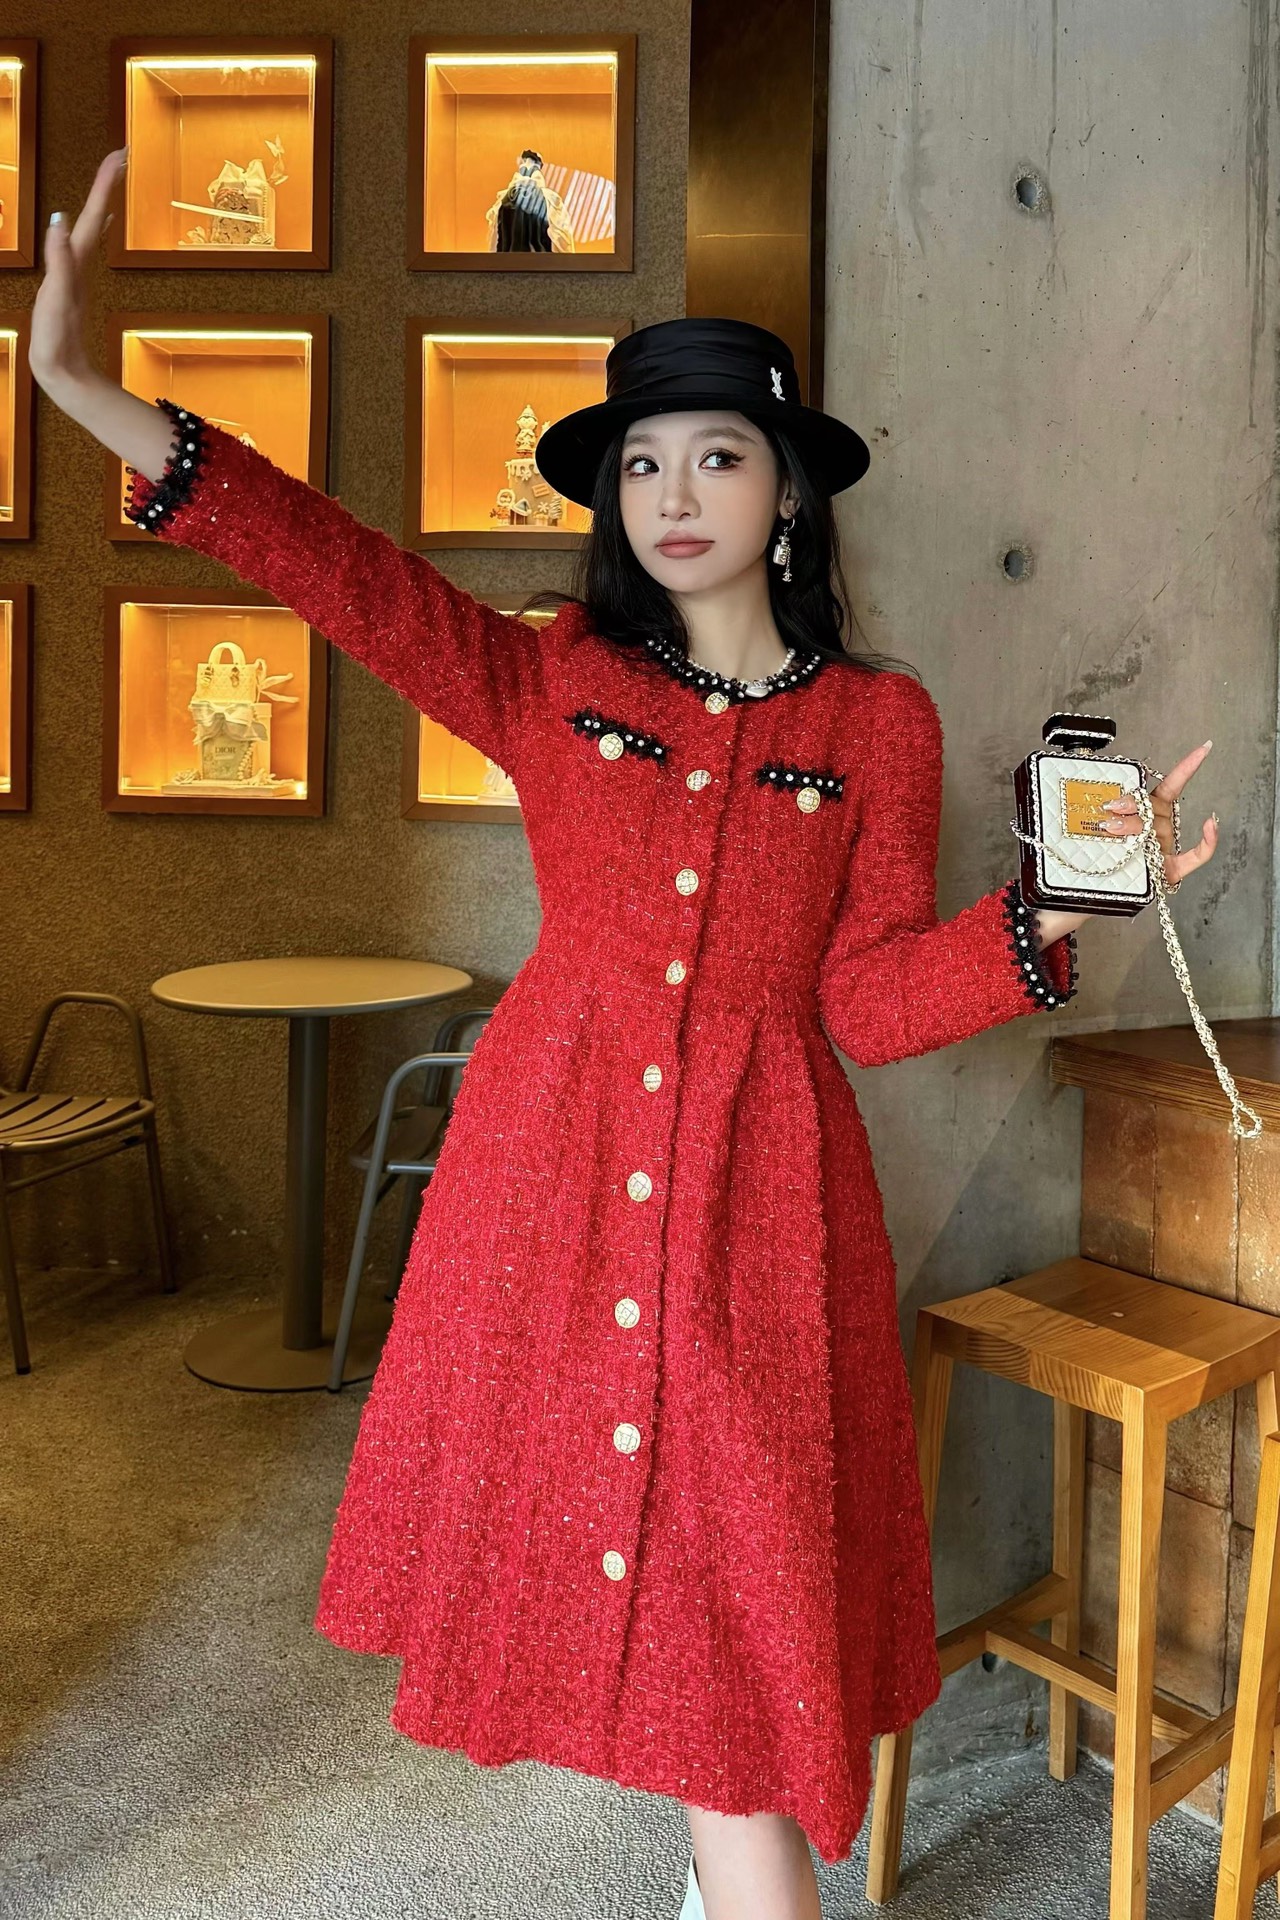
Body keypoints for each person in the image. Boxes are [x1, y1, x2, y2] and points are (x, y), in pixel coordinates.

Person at [30, 150, 1219, 1920]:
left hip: (765, 1201)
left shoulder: (878, 724)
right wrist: (79, 385)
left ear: (789, 489)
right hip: (553, 1172)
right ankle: (723, 1861)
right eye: (643, 461)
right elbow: (333, 565)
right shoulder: (554, 676)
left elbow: (866, 1001)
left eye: (718, 454)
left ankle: (731, 1860)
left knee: (736, 1569)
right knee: (611, 1543)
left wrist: (1043, 923)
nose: (675, 492)